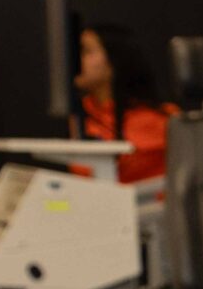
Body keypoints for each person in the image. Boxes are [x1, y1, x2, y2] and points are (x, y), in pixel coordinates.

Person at [73, 24, 175, 184]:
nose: (75, 60)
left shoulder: (161, 119)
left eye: (86, 51)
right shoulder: (77, 115)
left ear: (115, 60)